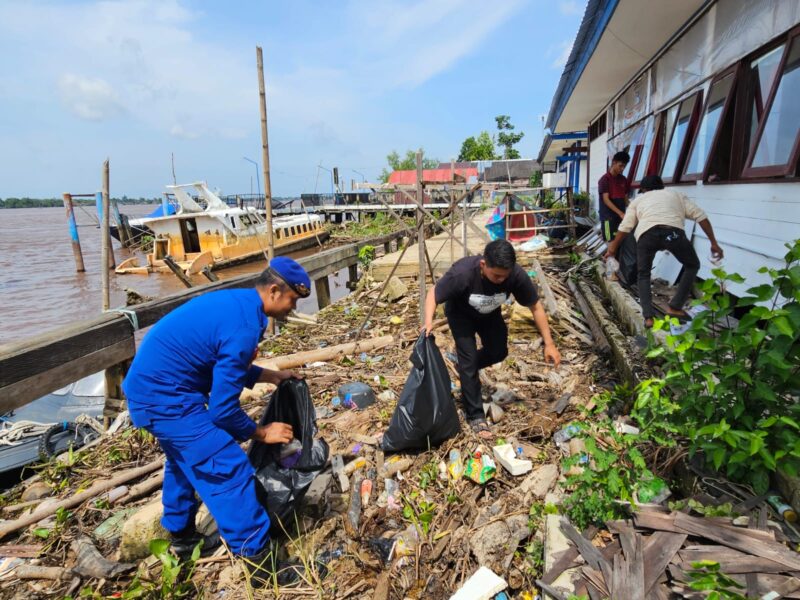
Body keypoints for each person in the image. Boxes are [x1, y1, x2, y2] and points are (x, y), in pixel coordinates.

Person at [122, 257, 312, 586]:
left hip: (154, 391)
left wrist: (271, 375)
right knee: (226, 465)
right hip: (165, 398)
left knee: (185, 460)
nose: (292, 308)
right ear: (274, 291)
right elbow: (222, 411)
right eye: (292, 300)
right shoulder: (244, 326)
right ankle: (262, 568)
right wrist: (262, 432)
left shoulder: (239, 304)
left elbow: (220, 361)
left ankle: (182, 539)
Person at [422, 240, 561, 439]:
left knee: (498, 351)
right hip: (461, 315)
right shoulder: (462, 274)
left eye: (505, 276)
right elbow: (433, 294)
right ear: (483, 265)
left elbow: (536, 307)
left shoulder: (515, 275)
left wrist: (549, 343)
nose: (500, 280)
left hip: (489, 314)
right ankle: (475, 415)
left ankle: (465, 367)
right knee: (468, 360)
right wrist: (428, 321)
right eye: (496, 275)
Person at [604, 175, 724, 328]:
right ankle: (675, 307)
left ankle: (648, 318)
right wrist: (714, 243)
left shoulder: (638, 200)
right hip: (673, 234)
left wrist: (612, 249)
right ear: (662, 186)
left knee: (644, 274)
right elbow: (701, 217)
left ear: (644, 189)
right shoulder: (676, 195)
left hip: (647, 236)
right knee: (692, 265)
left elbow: (625, 227)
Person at [598, 151, 631, 242]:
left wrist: (633, 207)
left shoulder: (623, 179)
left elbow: (625, 198)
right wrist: (620, 213)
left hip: (621, 218)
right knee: (609, 242)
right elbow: (606, 200)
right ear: (614, 162)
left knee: (621, 241)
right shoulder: (604, 180)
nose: (622, 168)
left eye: (624, 166)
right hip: (608, 218)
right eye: (620, 165)